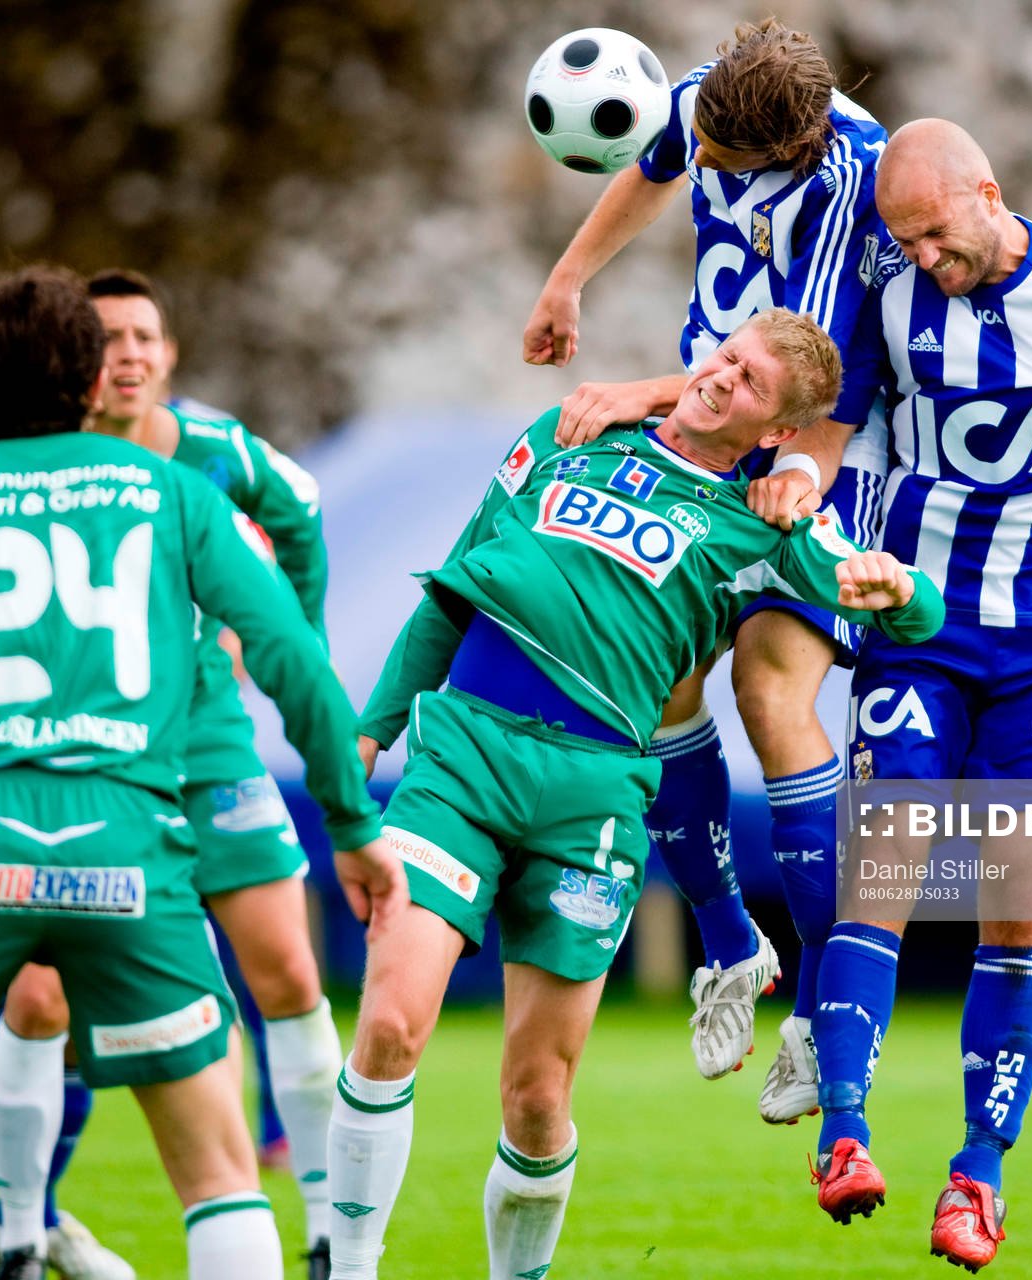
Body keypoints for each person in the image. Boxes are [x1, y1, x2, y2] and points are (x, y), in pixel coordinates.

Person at [0, 265, 406, 1280]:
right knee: (219, 1175)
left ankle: (9, 1225)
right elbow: (292, 659)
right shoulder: (172, 492)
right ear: (85, 378)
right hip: (126, 840)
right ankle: (41, 1224)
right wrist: (353, 822)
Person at [329, 309, 944, 1280]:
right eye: (723, 356)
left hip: (595, 799)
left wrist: (886, 582)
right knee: (394, 1018)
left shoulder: (767, 518)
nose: (718, 378)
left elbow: (919, 615)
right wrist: (368, 733)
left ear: (778, 431)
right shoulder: (566, 436)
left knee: (537, 1095)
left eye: (747, 383)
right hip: (462, 761)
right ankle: (347, 1262)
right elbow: (450, 594)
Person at [752, 119, 1032, 1268]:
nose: (921, 257)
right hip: (915, 623)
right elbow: (831, 425)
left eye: (934, 233)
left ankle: (978, 1174)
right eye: (901, 238)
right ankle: (845, 1134)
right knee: (886, 867)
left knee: (1018, 898)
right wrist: (800, 475)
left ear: (988, 194)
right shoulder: (887, 290)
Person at [524, 16, 891, 1119]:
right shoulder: (713, 95)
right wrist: (567, 279)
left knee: (769, 689)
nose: (707, 176)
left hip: (813, 434)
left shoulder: (852, 188)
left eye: (733, 169)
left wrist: (637, 393)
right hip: (706, 419)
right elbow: (652, 167)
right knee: (659, 680)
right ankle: (731, 944)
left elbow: (793, 378)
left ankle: (824, 1015)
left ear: (798, 144)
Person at [0, 267, 347, 1279]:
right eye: (109, 337)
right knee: (38, 996)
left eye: (146, 335)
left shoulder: (214, 451)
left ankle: (326, 1234)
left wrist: (280, 641)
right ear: (77, 361)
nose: (129, 352)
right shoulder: (40, 457)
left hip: (209, 742)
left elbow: (303, 510)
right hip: (83, 753)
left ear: (168, 354)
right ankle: (16, 1225)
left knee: (290, 973)